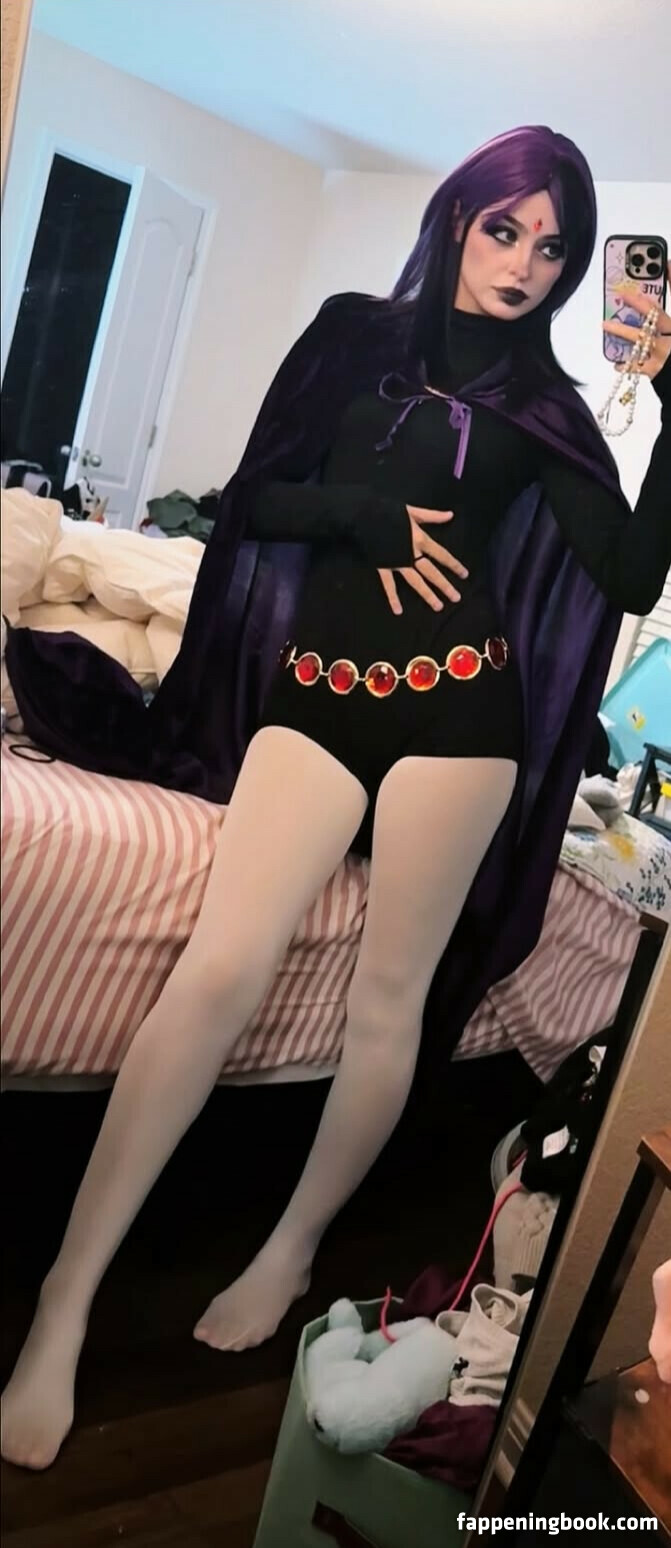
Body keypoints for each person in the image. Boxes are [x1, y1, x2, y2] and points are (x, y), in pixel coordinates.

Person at [2, 125, 670, 1471]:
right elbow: (254, 500)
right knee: (216, 969)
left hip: (461, 719)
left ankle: (292, 1246)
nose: (525, 265)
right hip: (316, 695)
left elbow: (632, 575)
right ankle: (64, 1299)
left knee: (387, 999)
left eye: (554, 247)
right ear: (460, 216)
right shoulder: (352, 334)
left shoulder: (547, 409)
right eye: (506, 229)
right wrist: (358, 516)